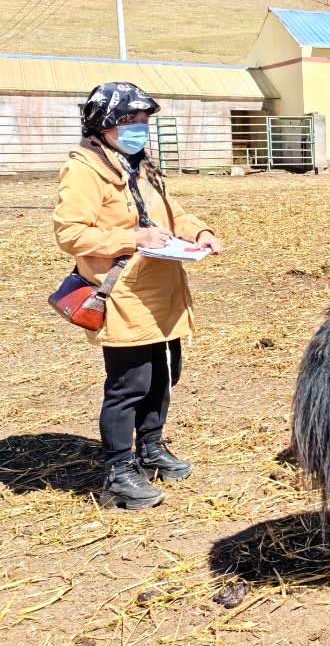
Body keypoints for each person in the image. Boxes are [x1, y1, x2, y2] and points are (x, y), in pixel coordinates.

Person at [53, 82, 224, 510]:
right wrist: (133, 236)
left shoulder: (138, 164)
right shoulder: (85, 169)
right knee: (130, 383)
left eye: (145, 122)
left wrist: (199, 231)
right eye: (131, 122)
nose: (141, 129)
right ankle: (117, 473)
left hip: (160, 289)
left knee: (162, 375)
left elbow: (171, 213)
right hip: (123, 293)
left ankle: (151, 448)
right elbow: (70, 233)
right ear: (105, 124)